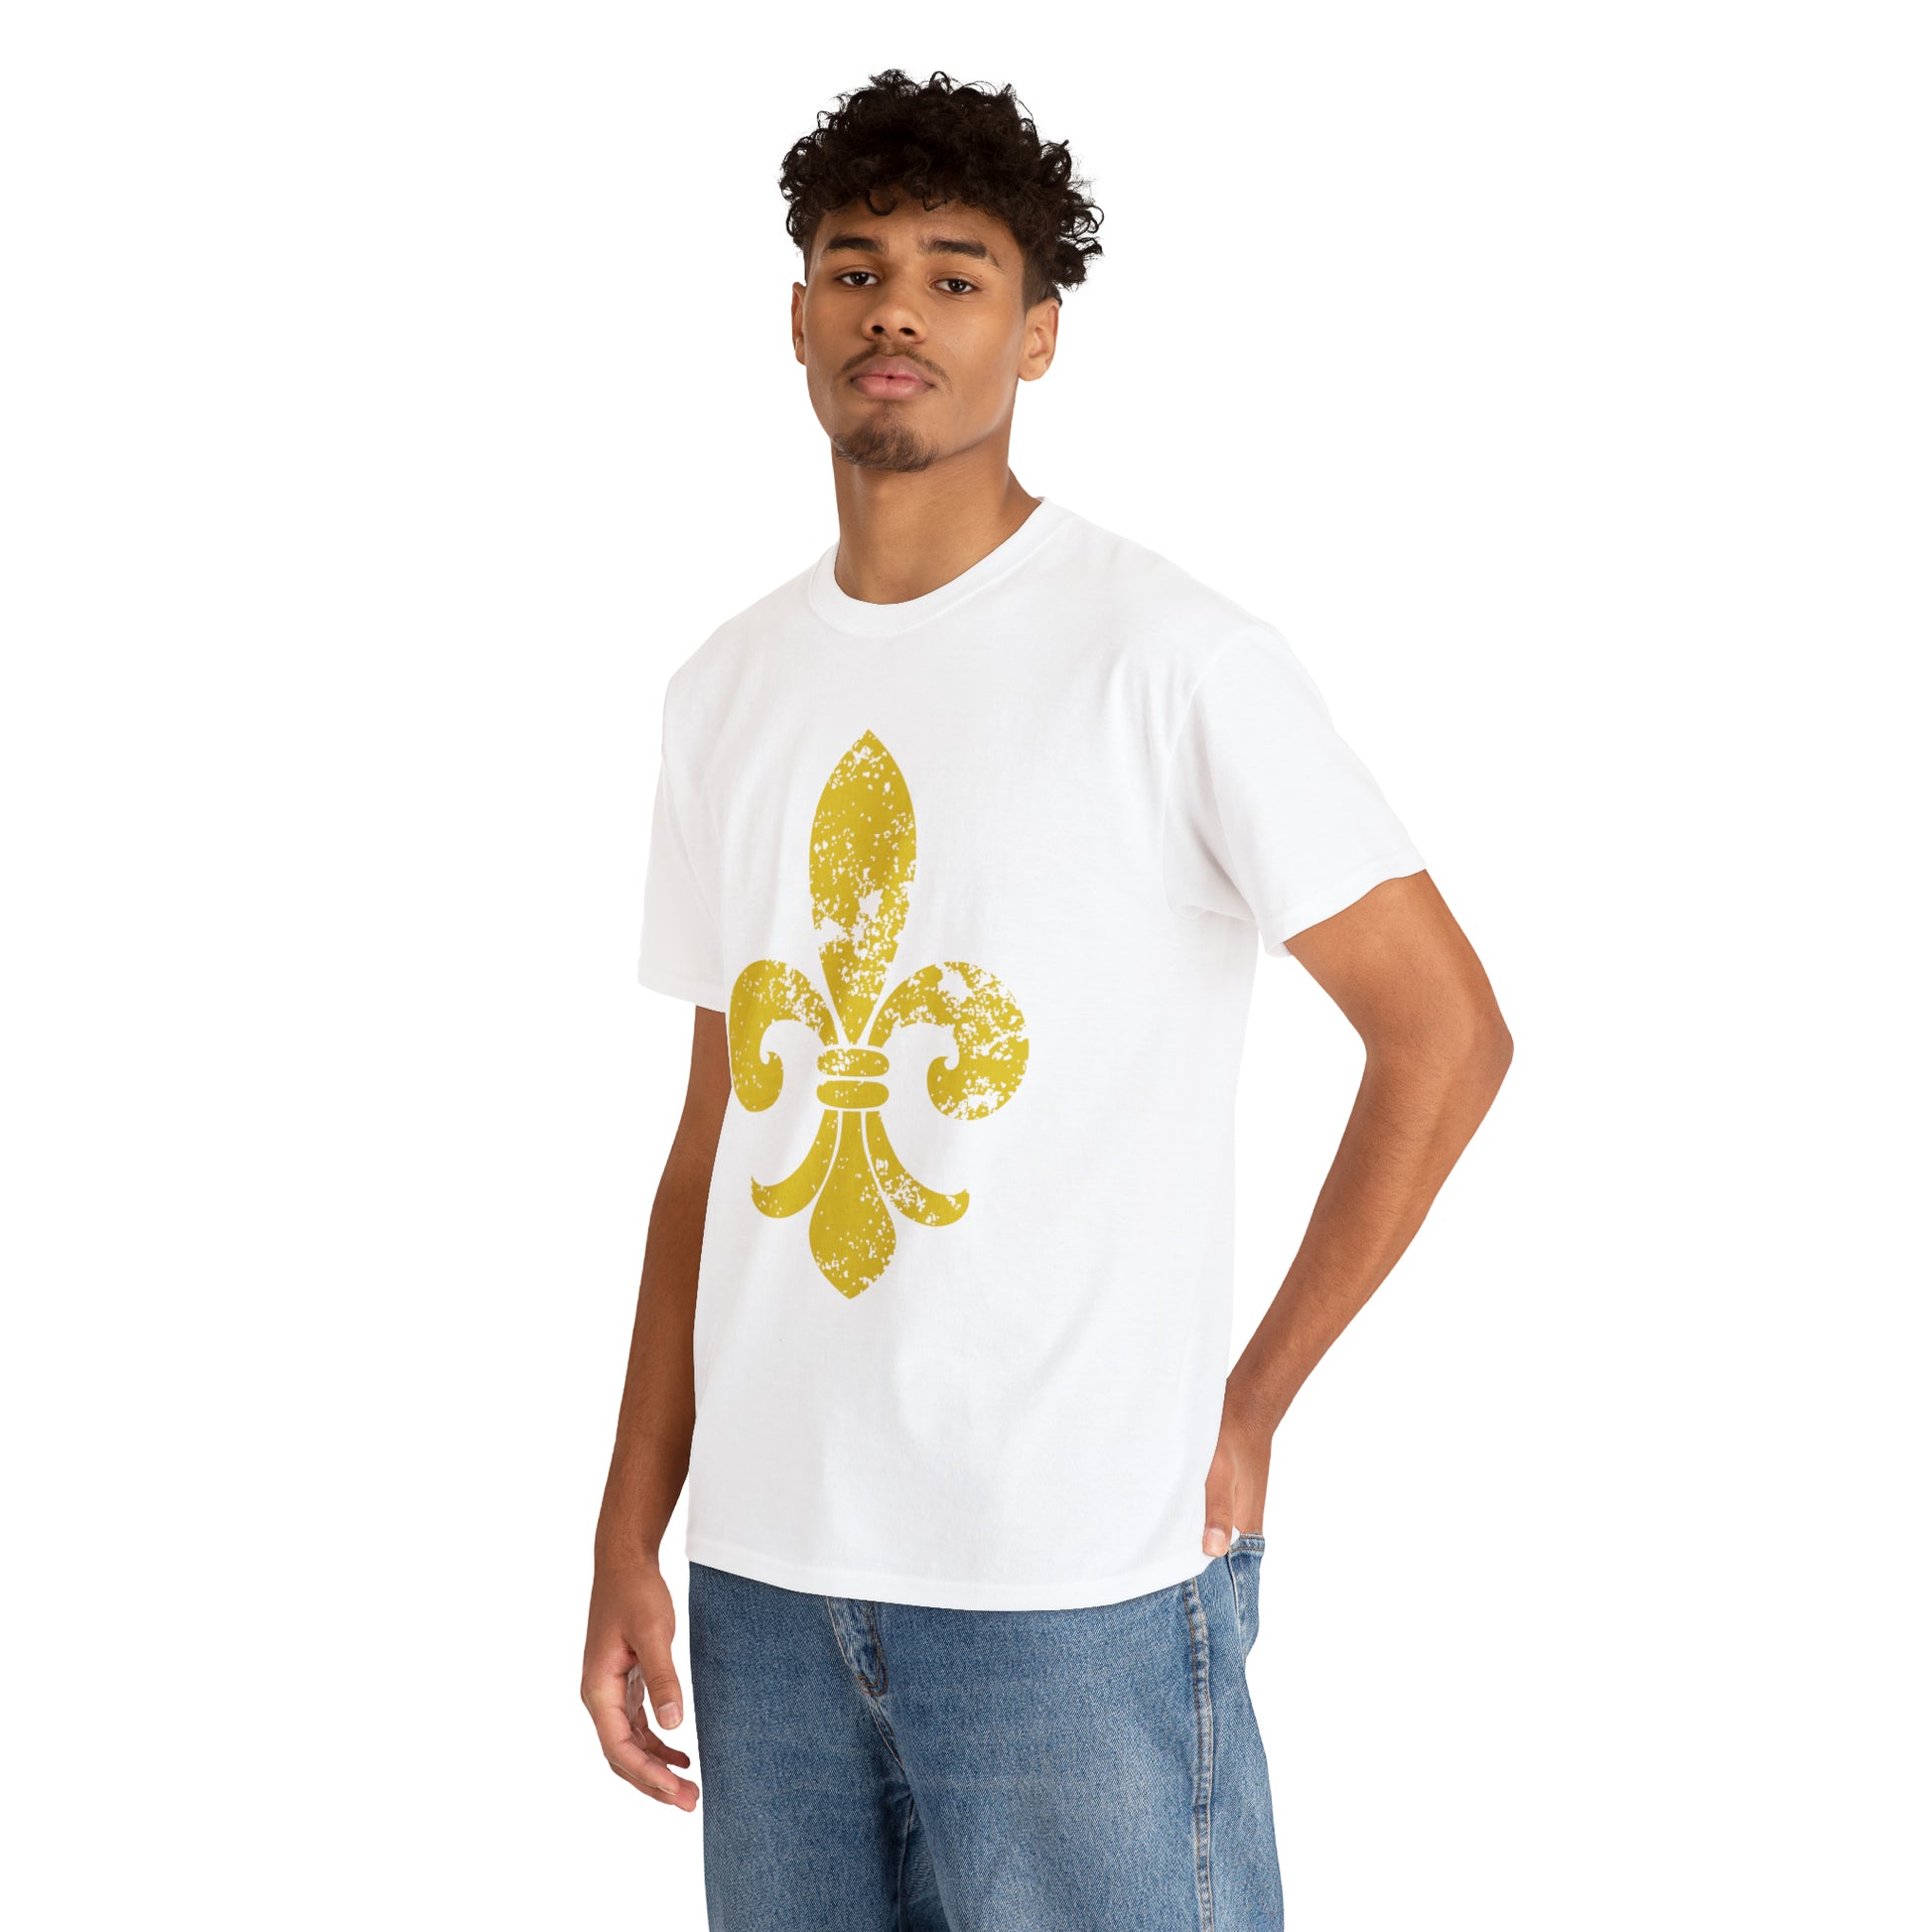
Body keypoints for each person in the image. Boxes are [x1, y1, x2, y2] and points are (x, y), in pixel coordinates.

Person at [582, 68, 1512, 1932]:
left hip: (1072, 1573)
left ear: (1037, 333)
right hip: (766, 1574)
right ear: (795, 316)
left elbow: (1446, 1033)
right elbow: (720, 1138)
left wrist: (1251, 1398)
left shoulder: (1169, 658)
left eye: (956, 275)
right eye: (856, 269)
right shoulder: (723, 690)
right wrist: (631, 1520)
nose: (897, 313)